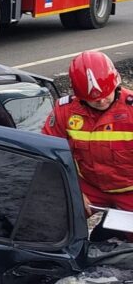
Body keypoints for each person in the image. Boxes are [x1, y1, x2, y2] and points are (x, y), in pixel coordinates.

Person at [43, 50, 133, 214]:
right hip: (89, 186)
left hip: (129, 189)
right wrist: (72, 190)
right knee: (55, 217)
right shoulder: (65, 111)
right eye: (92, 98)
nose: (100, 100)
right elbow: (48, 155)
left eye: (106, 94)